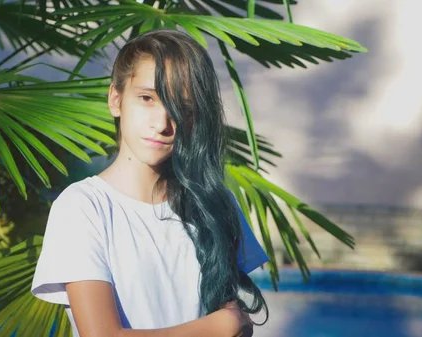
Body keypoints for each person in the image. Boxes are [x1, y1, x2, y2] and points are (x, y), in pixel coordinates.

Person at [31, 29, 269, 337]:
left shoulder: (214, 204)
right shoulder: (83, 207)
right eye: (147, 98)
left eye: (182, 109)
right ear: (116, 100)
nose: (162, 124)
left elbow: (237, 322)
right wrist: (219, 326)